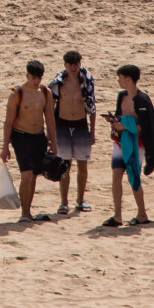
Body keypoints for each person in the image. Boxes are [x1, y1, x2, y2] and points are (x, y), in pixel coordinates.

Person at [0, 59, 55, 223]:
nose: (36, 81)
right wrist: (5, 147)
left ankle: (28, 212)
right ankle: (24, 213)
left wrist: (54, 141)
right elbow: (8, 122)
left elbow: (50, 118)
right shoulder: (16, 94)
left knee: (34, 175)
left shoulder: (45, 92)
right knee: (27, 175)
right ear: (27, 76)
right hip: (21, 137)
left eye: (39, 78)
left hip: (39, 137)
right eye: (33, 78)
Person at [102, 65, 153, 227]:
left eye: (120, 78)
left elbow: (146, 126)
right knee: (116, 176)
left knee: (134, 177)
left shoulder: (142, 100)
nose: (118, 81)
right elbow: (120, 117)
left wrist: (125, 126)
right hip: (120, 141)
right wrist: (114, 122)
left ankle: (142, 214)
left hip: (136, 144)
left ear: (128, 79)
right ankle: (117, 216)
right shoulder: (122, 96)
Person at [50, 50, 96, 217]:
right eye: (70, 64)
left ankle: (80, 200)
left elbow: (92, 107)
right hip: (62, 125)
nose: (73, 67)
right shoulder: (58, 82)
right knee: (64, 166)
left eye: (76, 64)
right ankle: (64, 202)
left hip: (81, 125)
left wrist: (92, 131)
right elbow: (50, 108)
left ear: (80, 63)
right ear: (65, 65)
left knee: (82, 165)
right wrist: (50, 132)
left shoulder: (87, 81)